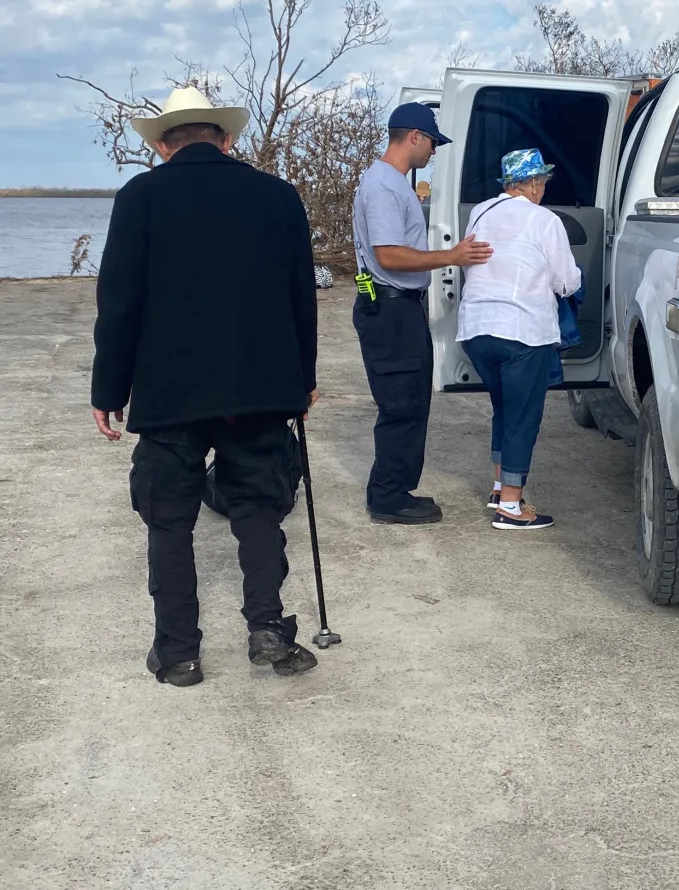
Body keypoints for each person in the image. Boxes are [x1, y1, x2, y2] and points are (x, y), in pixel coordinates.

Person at [91, 87, 320, 687]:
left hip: (170, 393)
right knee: (257, 509)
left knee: (169, 520)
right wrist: (304, 380)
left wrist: (107, 389)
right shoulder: (277, 197)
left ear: (164, 144)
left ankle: (178, 654)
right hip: (261, 387)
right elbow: (302, 298)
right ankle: (268, 629)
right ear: (225, 139)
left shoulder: (140, 197)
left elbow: (118, 304)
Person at [351, 103, 491, 524]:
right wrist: (452, 255)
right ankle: (388, 496)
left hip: (394, 307)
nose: (433, 151)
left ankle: (397, 488)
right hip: (390, 308)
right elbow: (389, 255)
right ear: (413, 135)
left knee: (410, 400)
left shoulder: (393, 183)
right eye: (432, 142)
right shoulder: (383, 186)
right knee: (401, 404)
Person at [456, 149, 582, 531]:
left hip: (476, 329)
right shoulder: (544, 220)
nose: (543, 188)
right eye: (541, 181)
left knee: (504, 410)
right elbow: (565, 280)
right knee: (523, 418)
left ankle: (499, 486)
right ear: (528, 184)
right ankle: (511, 507)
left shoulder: (480, 212)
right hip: (523, 332)